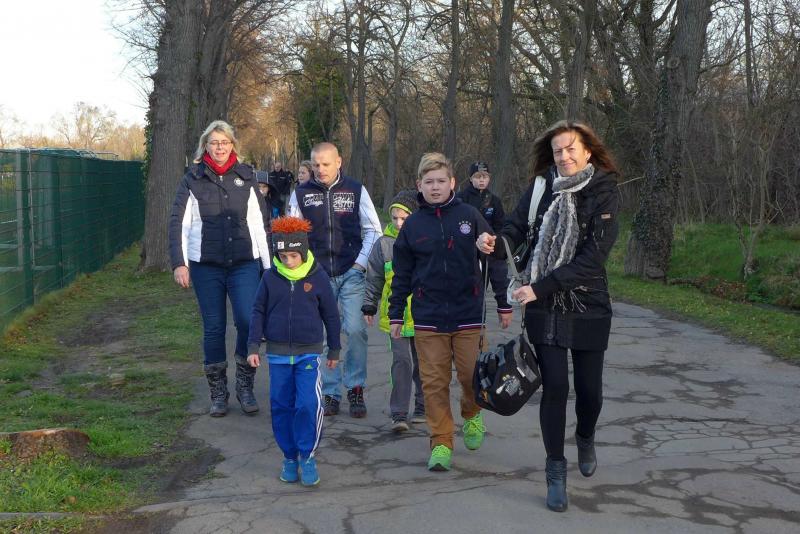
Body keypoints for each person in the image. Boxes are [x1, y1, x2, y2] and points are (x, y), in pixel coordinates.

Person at [477, 120, 620, 512]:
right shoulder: (541, 186)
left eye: (571, 148)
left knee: (590, 392)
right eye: (558, 150)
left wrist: (539, 287)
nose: (564, 155)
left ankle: (585, 436)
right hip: (543, 304)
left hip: (588, 302)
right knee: (555, 388)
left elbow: (592, 259)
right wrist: (495, 242)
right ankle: (555, 470)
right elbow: (515, 228)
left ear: (587, 151)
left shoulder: (604, 191)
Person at [389, 152, 502, 472]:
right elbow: (401, 274)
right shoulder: (412, 225)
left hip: (468, 313)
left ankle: (472, 413)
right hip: (428, 317)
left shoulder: (469, 215)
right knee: (434, 383)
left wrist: (503, 300)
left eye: (441, 181)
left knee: (470, 375)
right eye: (429, 182)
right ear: (419, 186)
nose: (435, 187)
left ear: (452, 182)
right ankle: (440, 442)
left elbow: (494, 256)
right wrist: (396, 313)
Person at [168, 120, 271, 417]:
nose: (220, 147)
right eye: (214, 143)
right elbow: (179, 223)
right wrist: (179, 263)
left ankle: (244, 385)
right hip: (206, 266)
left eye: (224, 142)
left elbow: (259, 223)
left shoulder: (246, 176)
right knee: (214, 327)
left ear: (232, 145)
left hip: (244, 263)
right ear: (205, 146)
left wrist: (268, 267)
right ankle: (218, 392)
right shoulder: (192, 179)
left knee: (247, 321)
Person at [288, 142, 382, 418]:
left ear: (339, 162)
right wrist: (305, 267)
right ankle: (330, 392)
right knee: (325, 334)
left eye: (326, 164)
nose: (320, 169)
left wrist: (360, 264)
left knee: (355, 329)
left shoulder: (355, 190)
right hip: (317, 275)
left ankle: (355, 387)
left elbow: (373, 229)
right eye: (315, 164)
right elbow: (292, 234)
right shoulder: (301, 193)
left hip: (351, 272)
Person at [247, 216, 341, 487]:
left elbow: (331, 315)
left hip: (308, 354)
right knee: (281, 406)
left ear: (303, 251)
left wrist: (334, 349)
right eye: (283, 256)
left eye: (293, 256)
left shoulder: (318, 277)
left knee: (308, 405)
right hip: (277, 355)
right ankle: (289, 457)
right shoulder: (270, 277)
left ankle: (307, 456)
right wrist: (253, 346)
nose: (288, 261)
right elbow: (258, 311)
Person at [361, 189, 425, 433]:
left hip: (422, 315)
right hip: (395, 316)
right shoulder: (384, 244)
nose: (398, 223)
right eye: (395, 218)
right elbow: (374, 278)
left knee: (423, 363)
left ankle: (422, 407)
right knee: (402, 362)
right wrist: (370, 304)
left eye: (404, 218)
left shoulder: (423, 240)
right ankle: (399, 412)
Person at [456, 161, 513, 329]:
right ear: (470, 178)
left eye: (485, 177)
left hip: (489, 250)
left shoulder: (494, 201)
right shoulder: (461, 199)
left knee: (486, 286)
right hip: (465, 252)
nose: (481, 180)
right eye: (478, 176)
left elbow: (501, 228)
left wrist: (493, 241)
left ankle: (480, 325)